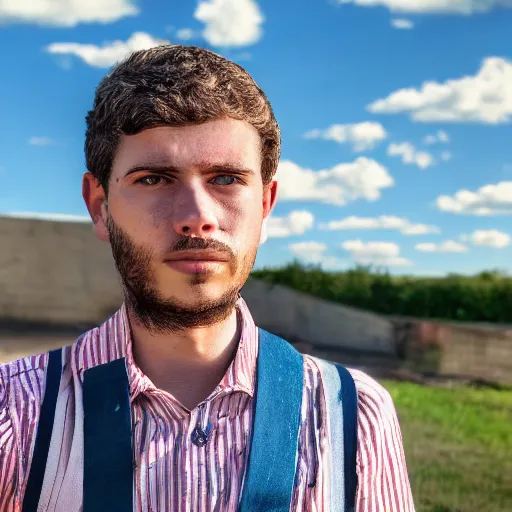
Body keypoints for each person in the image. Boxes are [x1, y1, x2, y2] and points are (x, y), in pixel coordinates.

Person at [0, 45, 415, 511]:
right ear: (99, 205)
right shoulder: (13, 411)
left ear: (265, 204)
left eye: (226, 179)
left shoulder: (354, 416)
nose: (197, 218)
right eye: (154, 179)